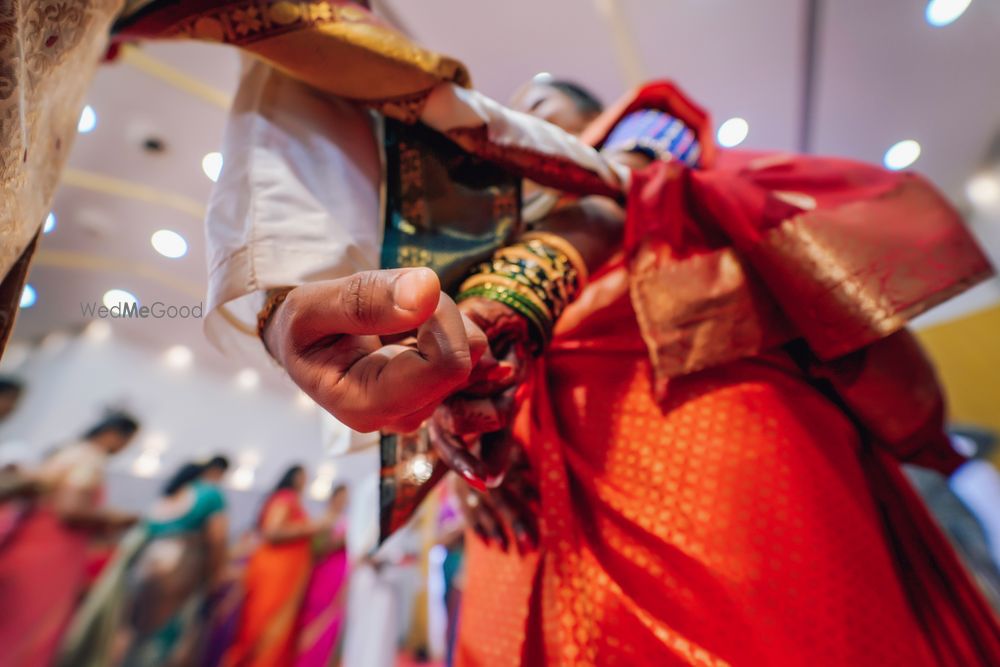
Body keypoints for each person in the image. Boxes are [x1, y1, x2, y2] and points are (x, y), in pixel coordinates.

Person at [437, 78, 1000, 666]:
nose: (519, 123)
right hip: (531, 476)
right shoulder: (503, 222)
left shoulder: (648, 130)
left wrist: (516, 296)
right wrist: (465, 453)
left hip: (682, 408)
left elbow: (619, 197)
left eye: (538, 107)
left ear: (595, 116)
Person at [0, 411, 140, 667]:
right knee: (32, 625)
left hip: (29, 541)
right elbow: (70, 510)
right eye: (127, 441)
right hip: (52, 551)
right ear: (112, 435)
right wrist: (113, 519)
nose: (125, 448)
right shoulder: (90, 459)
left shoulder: (69, 451)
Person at [223, 465, 329, 667]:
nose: (306, 482)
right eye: (304, 478)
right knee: (262, 623)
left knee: (276, 626)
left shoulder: (293, 500)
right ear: (296, 478)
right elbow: (272, 531)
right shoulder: (286, 498)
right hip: (274, 573)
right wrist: (312, 527)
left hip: (286, 574)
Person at [294, 485, 350, 667]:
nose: (344, 501)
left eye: (346, 498)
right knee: (312, 618)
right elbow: (315, 549)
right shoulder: (322, 520)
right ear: (333, 497)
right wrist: (336, 541)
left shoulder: (347, 522)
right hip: (322, 577)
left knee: (331, 623)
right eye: (341, 496)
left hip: (338, 578)